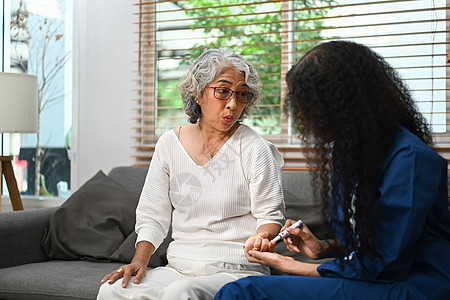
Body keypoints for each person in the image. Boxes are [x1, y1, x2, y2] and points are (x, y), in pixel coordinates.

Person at [216, 40, 450, 299]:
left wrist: (295, 266)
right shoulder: (349, 152)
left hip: (413, 285)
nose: (303, 120)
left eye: (309, 107)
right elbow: (368, 243)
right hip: (373, 276)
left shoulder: (411, 160)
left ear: (341, 103)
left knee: (242, 291)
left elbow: (386, 264)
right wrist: (322, 248)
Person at [97, 48, 285, 300]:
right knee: (112, 290)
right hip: (179, 269)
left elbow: (271, 217)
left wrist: (261, 237)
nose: (233, 104)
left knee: (180, 293)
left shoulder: (255, 148)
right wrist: (139, 260)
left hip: (236, 271)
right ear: (198, 93)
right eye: (223, 91)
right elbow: (153, 214)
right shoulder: (169, 144)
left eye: (242, 95)